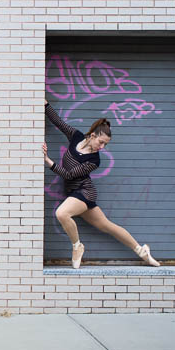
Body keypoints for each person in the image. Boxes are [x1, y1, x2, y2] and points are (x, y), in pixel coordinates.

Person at [42, 99, 161, 269]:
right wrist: (45, 105)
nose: (102, 147)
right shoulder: (75, 137)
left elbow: (69, 175)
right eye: (101, 142)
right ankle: (142, 251)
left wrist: (49, 162)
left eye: (105, 144)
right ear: (92, 135)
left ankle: (77, 246)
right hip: (75, 194)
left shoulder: (94, 160)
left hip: (84, 192)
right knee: (108, 226)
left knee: (62, 213)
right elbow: (59, 122)